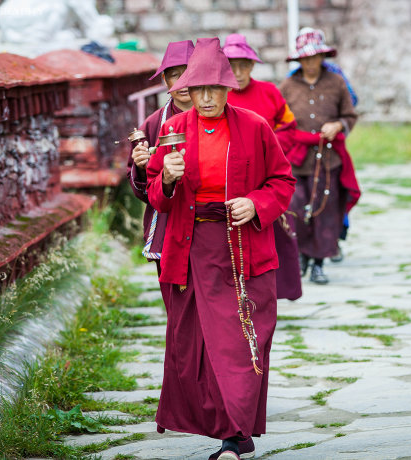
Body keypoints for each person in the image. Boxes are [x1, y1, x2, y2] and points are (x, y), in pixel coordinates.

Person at [146, 37, 295, 460]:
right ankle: (232, 431)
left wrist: (256, 202)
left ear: (229, 90)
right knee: (200, 346)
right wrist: (168, 180)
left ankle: (235, 437)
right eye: (198, 90)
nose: (207, 98)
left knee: (243, 340)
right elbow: (157, 198)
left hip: (243, 247)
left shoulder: (254, 126)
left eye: (215, 89)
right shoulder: (172, 130)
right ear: (187, 92)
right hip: (191, 250)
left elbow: (282, 181)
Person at [223, 33, 302, 302]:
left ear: (252, 66)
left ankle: (275, 295)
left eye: (244, 64)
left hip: (269, 179)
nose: (238, 72)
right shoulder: (217, 98)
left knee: (280, 238)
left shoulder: (269, 92)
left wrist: (266, 153)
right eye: (231, 65)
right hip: (230, 181)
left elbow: (289, 127)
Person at [279, 28, 361, 284]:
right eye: (305, 58)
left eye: (315, 57)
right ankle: (302, 254)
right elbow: (279, 122)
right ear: (299, 60)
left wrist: (338, 126)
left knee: (324, 212)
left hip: (328, 160)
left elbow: (349, 115)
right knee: (296, 209)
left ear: (323, 57)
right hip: (297, 159)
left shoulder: (336, 83)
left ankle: (318, 263)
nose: (310, 63)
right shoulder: (287, 86)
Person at [126, 40, 194, 303]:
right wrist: (142, 168)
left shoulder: (219, 115)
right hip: (168, 220)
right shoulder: (153, 124)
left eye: (188, 72)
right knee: (177, 302)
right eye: (174, 75)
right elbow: (142, 190)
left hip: (210, 218)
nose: (182, 82)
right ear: (165, 80)